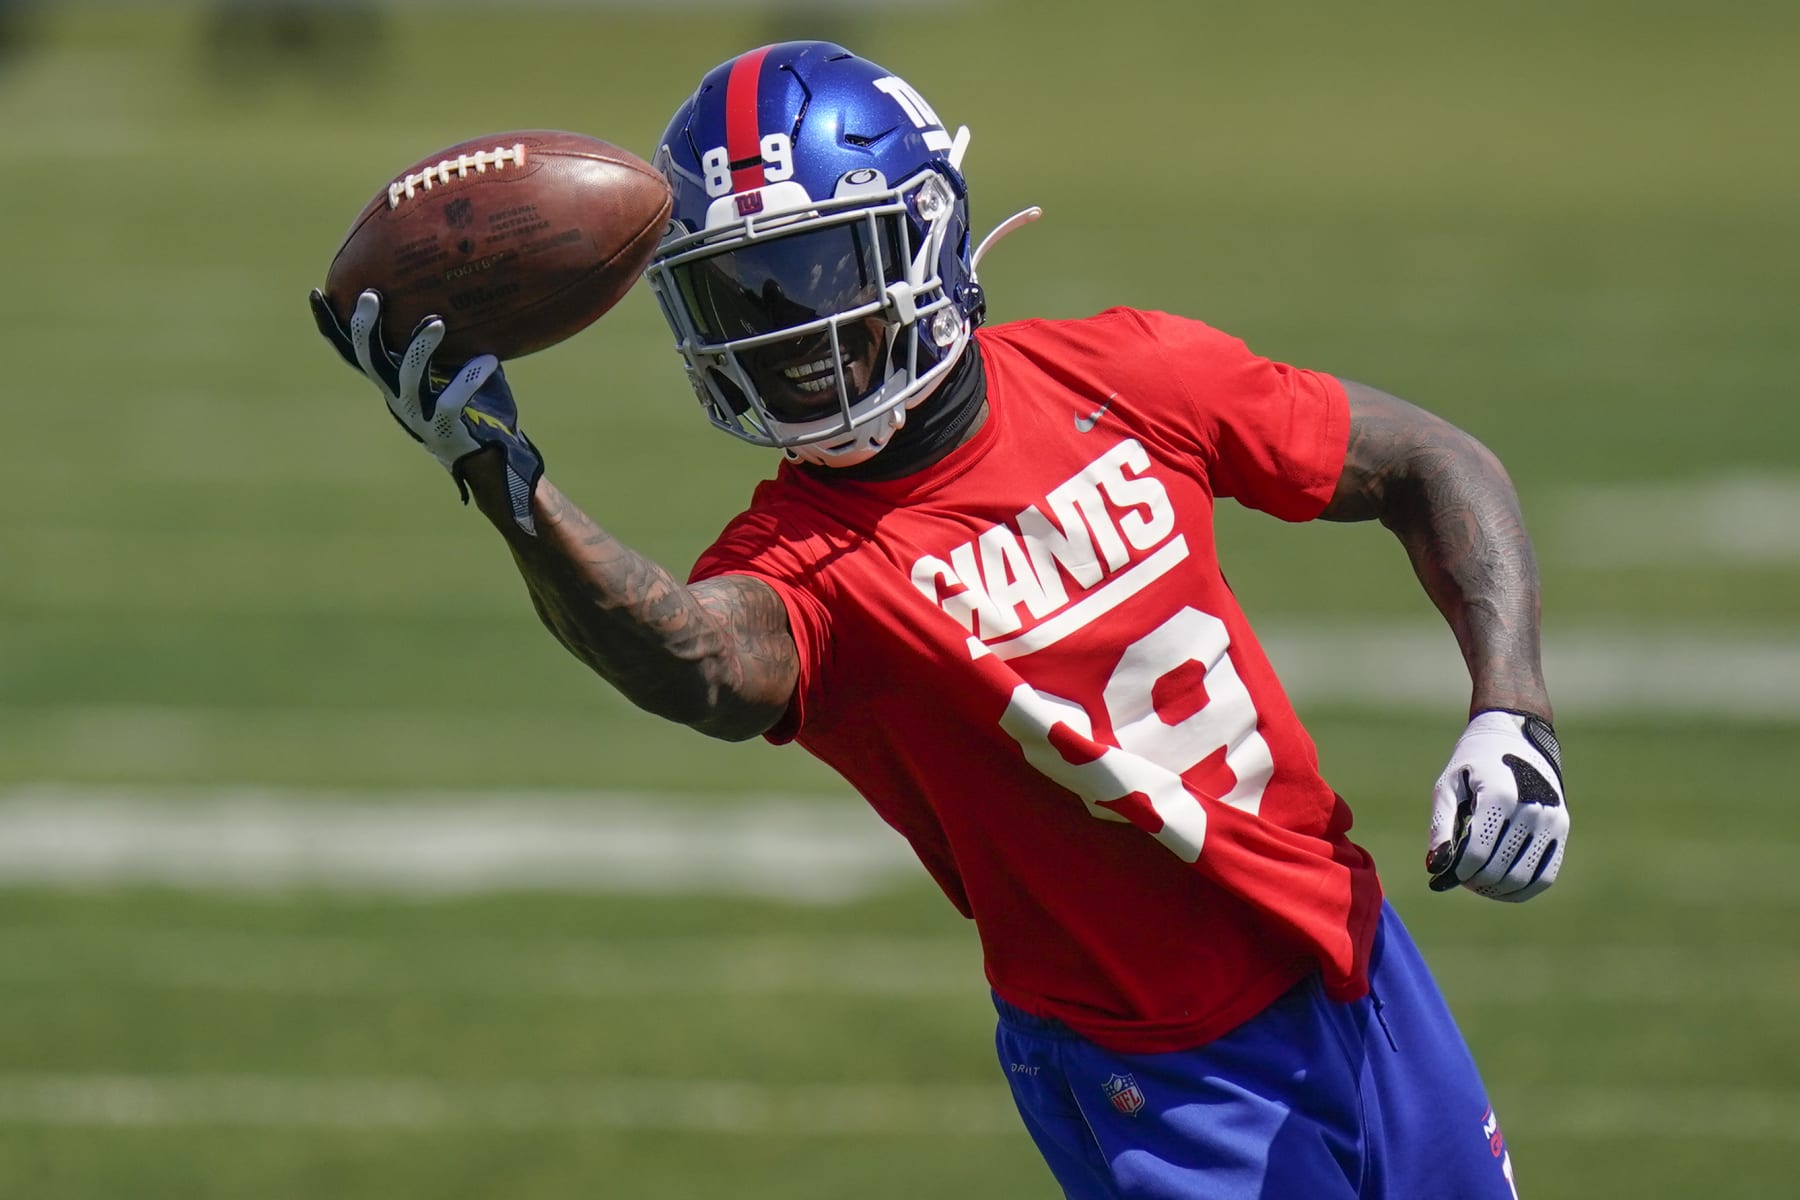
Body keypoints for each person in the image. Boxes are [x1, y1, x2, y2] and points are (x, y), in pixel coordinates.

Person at [309, 41, 1568, 1200]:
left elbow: (1426, 460)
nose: (784, 333)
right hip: (1158, 1065)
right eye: (738, 296)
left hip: (1351, 953)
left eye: (808, 274)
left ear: (924, 235)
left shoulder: (1123, 374)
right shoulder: (805, 557)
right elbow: (697, 661)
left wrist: (1512, 712)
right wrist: (511, 490)